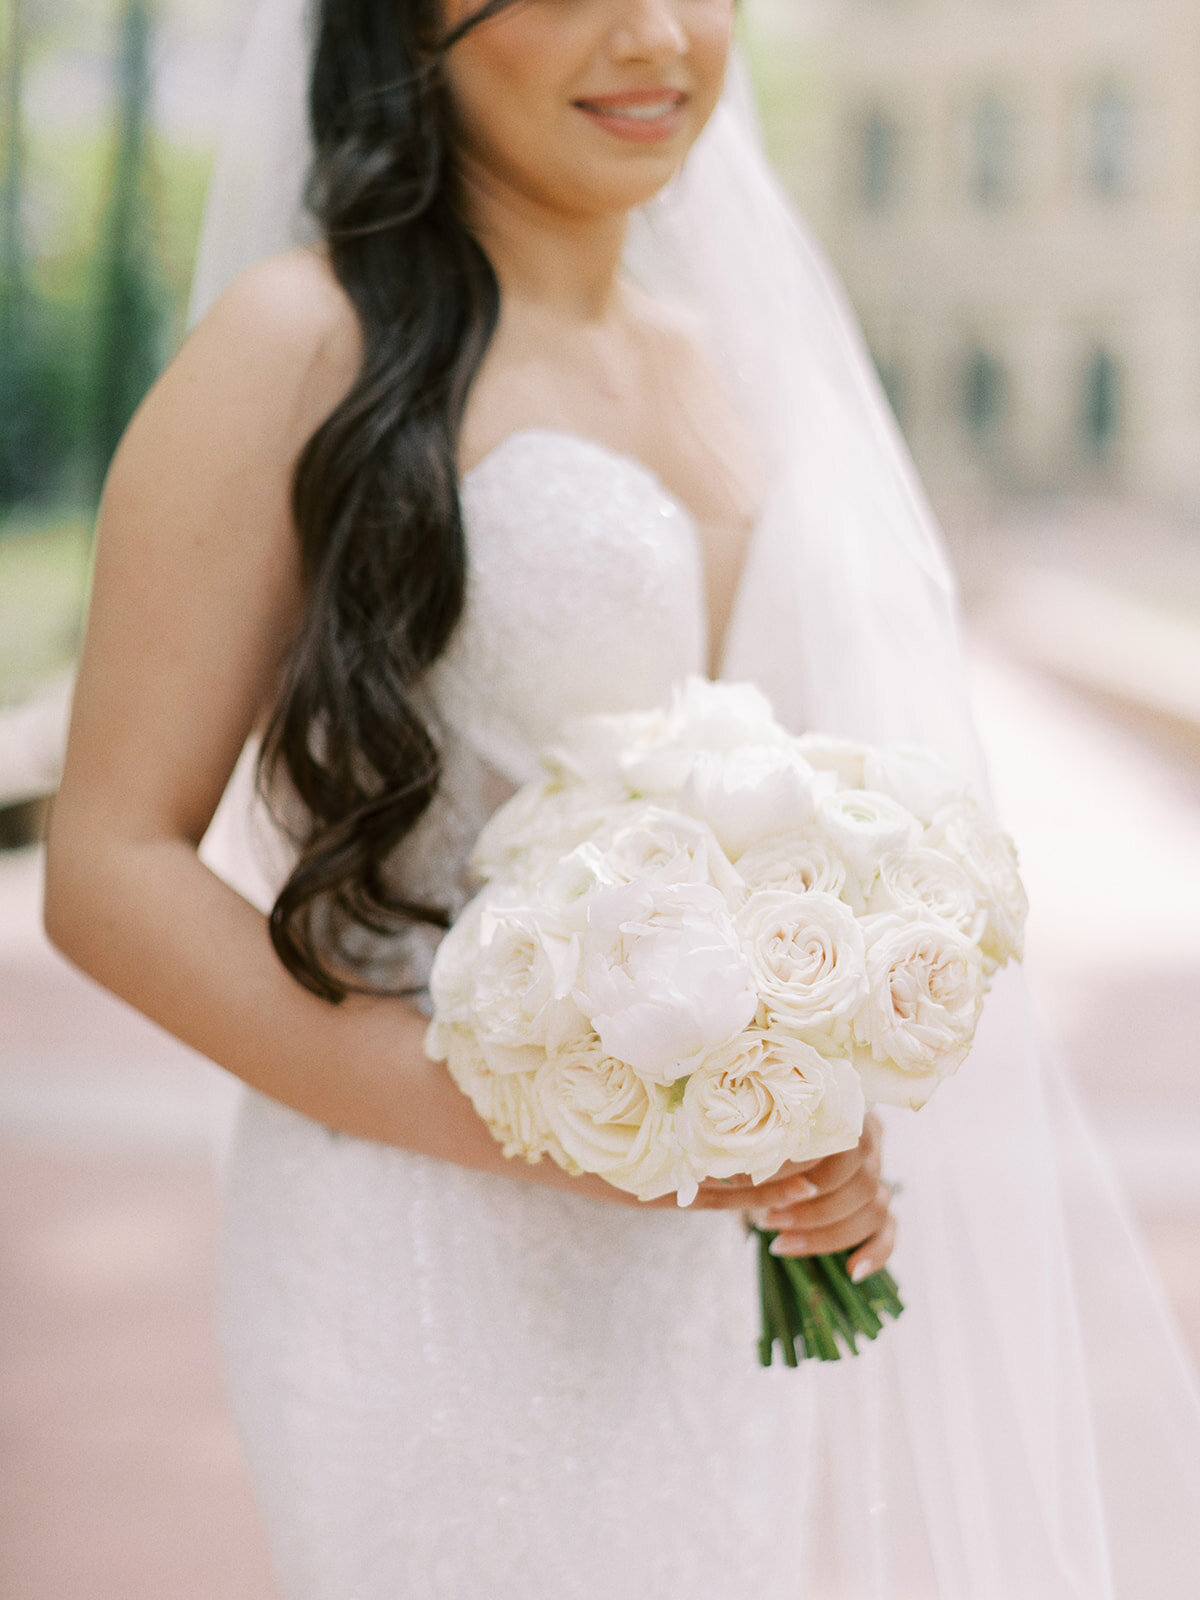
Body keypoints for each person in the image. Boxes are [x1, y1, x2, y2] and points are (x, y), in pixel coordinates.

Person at [42, 0, 1200, 1596]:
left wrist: (816, 1102)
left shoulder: (753, 364)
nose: (655, 36)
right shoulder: (301, 341)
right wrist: (542, 1128)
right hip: (419, 1242)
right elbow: (106, 865)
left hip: (701, 1267)